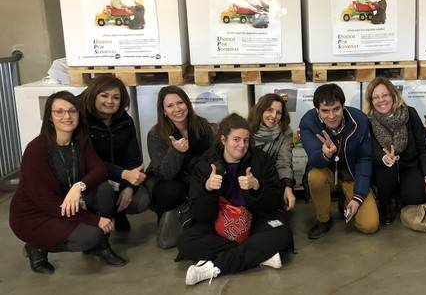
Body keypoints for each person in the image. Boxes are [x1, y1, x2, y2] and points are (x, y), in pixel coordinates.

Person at [10, 91, 126, 274]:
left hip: (67, 204)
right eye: (60, 112)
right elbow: (47, 203)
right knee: (90, 235)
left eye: (72, 111)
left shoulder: (79, 142)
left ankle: (101, 247)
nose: (67, 116)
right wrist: (96, 220)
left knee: (103, 189)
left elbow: (100, 170)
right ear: (50, 116)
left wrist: (78, 186)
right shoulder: (36, 150)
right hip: (36, 215)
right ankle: (37, 246)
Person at [177, 114, 293, 286]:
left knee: (282, 233)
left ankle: (213, 267)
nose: (242, 145)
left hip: (256, 220)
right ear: (223, 139)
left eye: (246, 140)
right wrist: (207, 189)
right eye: (236, 139)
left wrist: (257, 187)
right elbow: (200, 215)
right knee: (186, 242)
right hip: (218, 223)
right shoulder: (205, 164)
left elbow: (275, 202)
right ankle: (261, 255)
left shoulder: (261, 159)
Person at [300, 83, 379, 238]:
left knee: (370, 225)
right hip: (326, 173)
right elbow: (314, 159)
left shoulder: (360, 120)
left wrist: (358, 198)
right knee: (315, 176)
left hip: (352, 176)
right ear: (317, 110)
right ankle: (324, 220)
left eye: (336, 109)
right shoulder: (308, 122)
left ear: (343, 106)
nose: (331, 115)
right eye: (325, 111)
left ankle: (346, 199)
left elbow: (365, 158)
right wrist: (325, 154)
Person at [147, 86, 215, 247]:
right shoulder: (156, 134)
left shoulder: (202, 125)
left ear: (187, 104)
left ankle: (196, 218)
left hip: (194, 175)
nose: (177, 109)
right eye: (170, 106)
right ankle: (168, 219)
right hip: (167, 181)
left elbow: (213, 156)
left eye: (180, 103)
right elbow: (165, 173)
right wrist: (177, 151)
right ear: (163, 111)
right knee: (170, 190)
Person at [81, 75, 148, 232]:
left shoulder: (125, 121)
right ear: (93, 95)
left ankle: (119, 213)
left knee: (141, 200)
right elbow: (90, 162)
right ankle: (99, 239)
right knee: (103, 192)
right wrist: (124, 174)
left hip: (120, 177)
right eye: (104, 95)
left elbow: (134, 158)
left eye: (116, 97)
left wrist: (129, 187)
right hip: (91, 179)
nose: (110, 101)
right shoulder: (82, 122)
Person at [363, 77, 426, 225]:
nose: (381, 100)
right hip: (384, 169)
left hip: (409, 166)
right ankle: (386, 201)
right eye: (375, 97)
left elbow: (424, 146)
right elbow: (370, 148)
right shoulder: (368, 120)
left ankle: (401, 197)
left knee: (415, 197)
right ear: (371, 101)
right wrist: (383, 157)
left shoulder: (410, 114)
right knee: (386, 175)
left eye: (385, 95)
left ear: (393, 95)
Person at [248, 93, 296, 211]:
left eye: (278, 112)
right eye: (269, 110)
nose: (274, 116)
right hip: (246, 176)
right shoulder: (246, 129)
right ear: (260, 110)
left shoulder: (285, 133)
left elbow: (283, 162)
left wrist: (287, 186)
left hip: (269, 177)